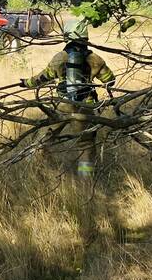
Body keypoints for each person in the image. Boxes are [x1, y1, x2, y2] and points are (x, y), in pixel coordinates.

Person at [21, 19, 116, 179]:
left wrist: (26, 83)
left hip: (62, 105)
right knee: (86, 144)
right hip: (85, 106)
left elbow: (43, 78)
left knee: (45, 136)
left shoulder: (60, 57)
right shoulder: (95, 59)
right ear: (85, 38)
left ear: (67, 36)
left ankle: (31, 172)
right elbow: (110, 80)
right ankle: (86, 180)